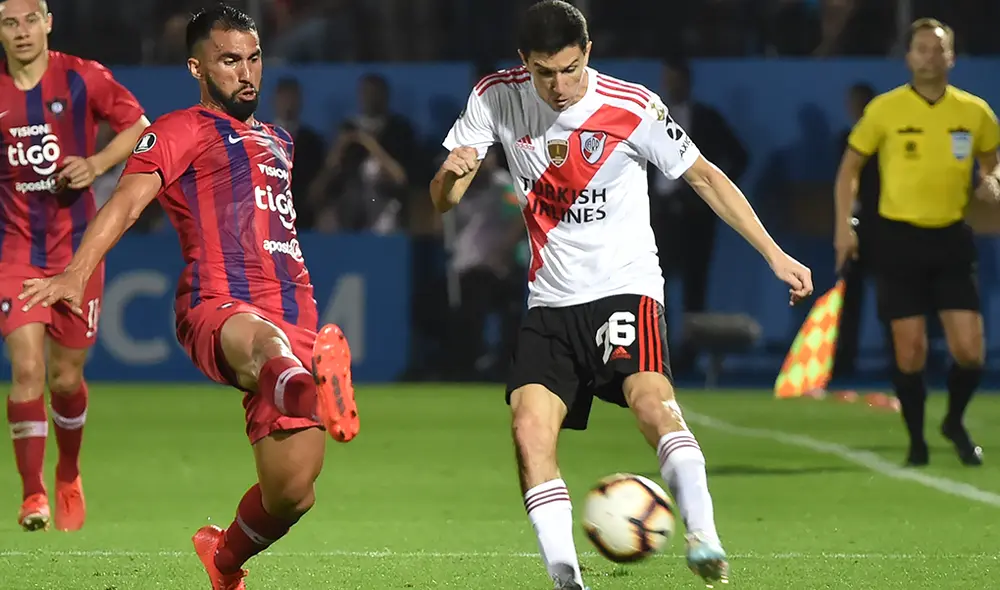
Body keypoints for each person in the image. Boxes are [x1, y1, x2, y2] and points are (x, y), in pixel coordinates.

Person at [429, 1, 813, 588]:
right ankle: (565, 578)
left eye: (569, 69)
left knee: (650, 404)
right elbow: (443, 202)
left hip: (624, 289)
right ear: (522, 64)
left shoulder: (631, 106)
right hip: (550, 302)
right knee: (528, 429)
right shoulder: (495, 97)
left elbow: (706, 176)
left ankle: (703, 535)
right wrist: (452, 175)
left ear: (588, 54)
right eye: (543, 72)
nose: (558, 87)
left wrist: (774, 253)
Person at [18, 5, 359, 589]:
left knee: (292, 494)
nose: (247, 72)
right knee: (264, 346)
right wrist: (76, 272)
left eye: (254, 58)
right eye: (230, 61)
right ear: (197, 68)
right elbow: (125, 202)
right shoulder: (178, 129)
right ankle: (313, 392)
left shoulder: (279, 140)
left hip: (297, 312)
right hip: (218, 304)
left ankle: (223, 558)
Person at [0, 0, 149, 532]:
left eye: (29, 21)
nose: (21, 32)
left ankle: (68, 472)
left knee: (65, 378)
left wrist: (97, 164)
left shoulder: (81, 76)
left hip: (77, 251)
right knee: (27, 371)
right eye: (9, 23)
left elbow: (139, 127)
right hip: (15, 253)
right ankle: (33, 494)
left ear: (47, 23)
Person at [835, 18, 1000, 468]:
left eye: (938, 49)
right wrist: (843, 227)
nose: (930, 56)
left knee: (970, 350)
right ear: (908, 57)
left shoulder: (975, 111)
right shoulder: (886, 111)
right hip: (897, 239)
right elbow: (850, 168)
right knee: (911, 349)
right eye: (921, 48)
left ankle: (954, 420)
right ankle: (916, 441)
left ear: (952, 57)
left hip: (951, 237)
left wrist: (993, 180)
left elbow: (993, 158)